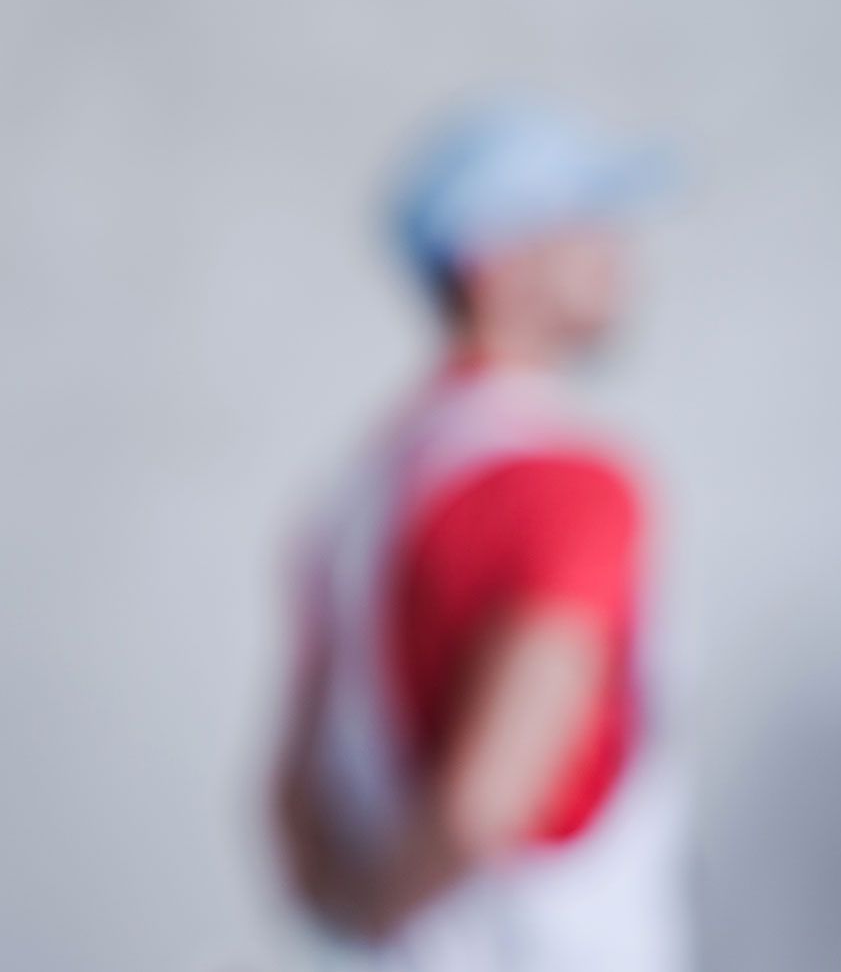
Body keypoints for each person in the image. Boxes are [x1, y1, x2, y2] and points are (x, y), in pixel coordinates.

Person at [272, 102, 688, 971]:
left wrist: (370, 924)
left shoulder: (354, 496)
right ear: (493, 260)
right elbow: (489, 799)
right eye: (583, 223)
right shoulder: (567, 481)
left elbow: (291, 797)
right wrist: (399, 913)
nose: (617, 251)